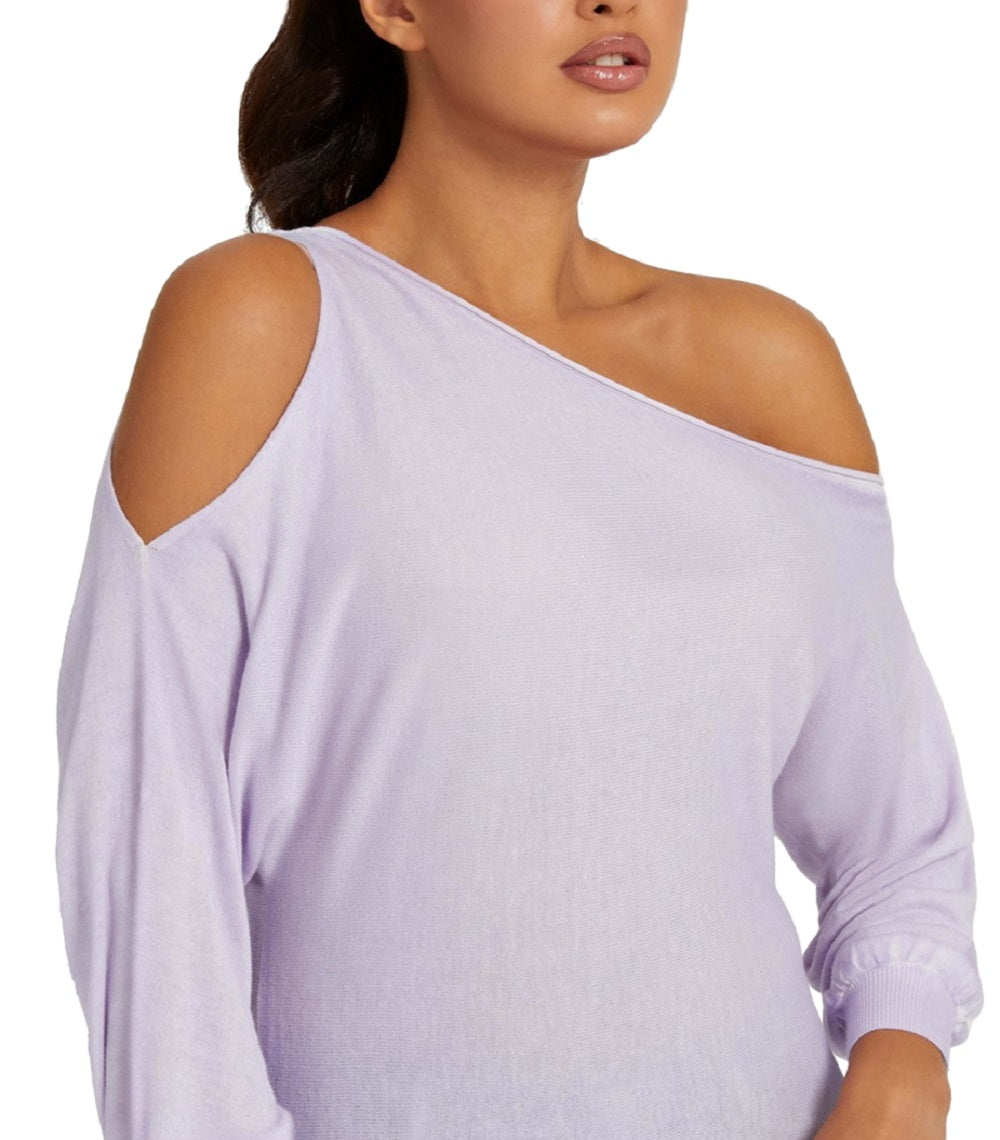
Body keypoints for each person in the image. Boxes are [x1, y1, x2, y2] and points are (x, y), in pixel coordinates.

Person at [54, 2, 984, 1138]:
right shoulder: (266, 325)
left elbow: (896, 839)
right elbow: (151, 882)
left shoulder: (767, 366)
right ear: (396, 8)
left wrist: (900, 1073)